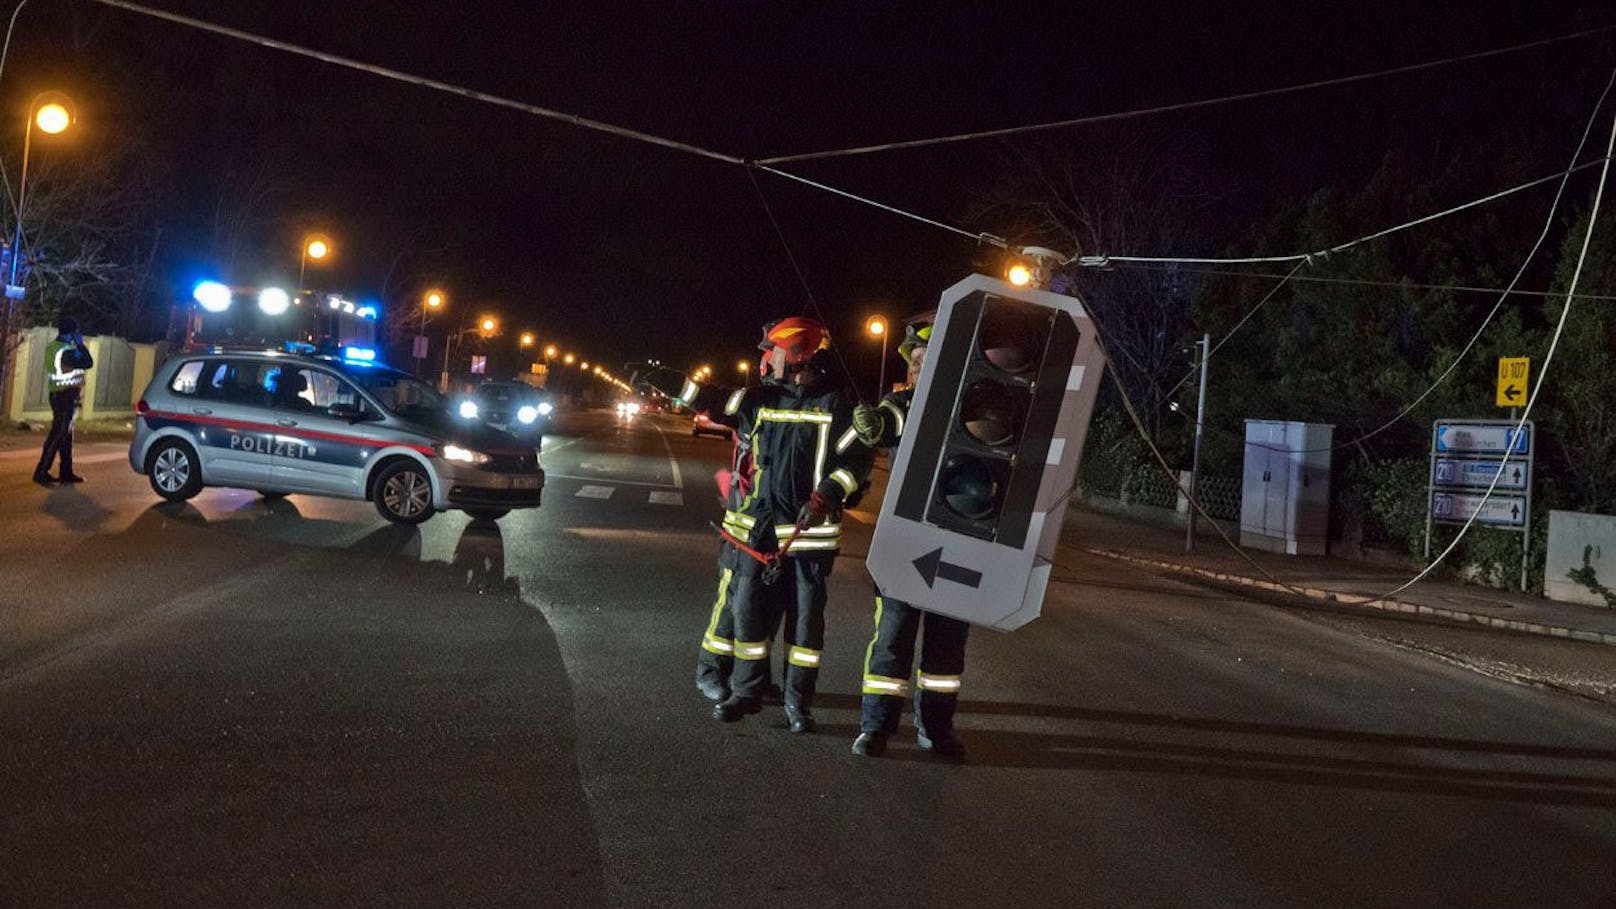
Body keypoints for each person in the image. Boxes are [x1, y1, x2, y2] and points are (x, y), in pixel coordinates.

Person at [680, 316, 874, 733]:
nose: (767, 360)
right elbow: (711, 401)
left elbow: (855, 465)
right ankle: (745, 693)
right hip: (758, 536)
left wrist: (826, 496)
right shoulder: (759, 400)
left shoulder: (837, 406)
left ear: (796, 353)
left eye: (773, 351)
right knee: (748, 614)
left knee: (804, 628)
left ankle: (797, 704)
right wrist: (664, 381)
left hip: (808, 540)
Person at [848, 321, 972, 759]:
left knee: (947, 646)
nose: (916, 369)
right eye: (913, 362)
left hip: (960, 543)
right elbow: (888, 420)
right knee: (892, 638)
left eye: (924, 361)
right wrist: (874, 424)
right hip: (904, 544)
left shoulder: (971, 411)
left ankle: (936, 729)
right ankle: (876, 727)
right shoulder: (900, 404)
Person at [33, 316, 94, 486]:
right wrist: (80, 344)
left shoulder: (53, 347)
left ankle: (66, 472)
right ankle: (41, 471)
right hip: (65, 397)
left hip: (57, 395)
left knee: (65, 436)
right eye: (76, 333)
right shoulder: (68, 351)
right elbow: (89, 363)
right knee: (58, 435)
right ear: (72, 333)